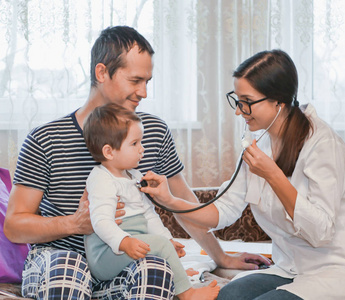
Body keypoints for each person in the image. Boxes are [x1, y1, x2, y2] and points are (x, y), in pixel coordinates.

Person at [4, 25, 265, 300]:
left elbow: (181, 201)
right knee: (68, 269)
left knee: (155, 269)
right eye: (135, 80)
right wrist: (74, 224)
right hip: (59, 258)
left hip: (121, 259)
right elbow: (15, 226)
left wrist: (220, 256)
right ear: (102, 72)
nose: (144, 92)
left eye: (148, 82)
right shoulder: (46, 138)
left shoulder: (151, 131)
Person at [140, 49, 345, 300]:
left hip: (339, 268)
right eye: (237, 100)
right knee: (228, 296)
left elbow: (321, 232)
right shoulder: (258, 144)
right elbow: (220, 212)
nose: (238, 111)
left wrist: (273, 175)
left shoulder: (322, 145)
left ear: (278, 100)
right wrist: (168, 200)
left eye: (246, 101)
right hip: (292, 267)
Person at [83, 102, 219, 299]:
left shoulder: (134, 175)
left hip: (127, 247)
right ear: (109, 152)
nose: (142, 149)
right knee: (160, 246)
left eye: (141, 142)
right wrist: (124, 241)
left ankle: (178, 275)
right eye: (134, 143)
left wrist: (168, 239)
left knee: (163, 244)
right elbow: (101, 221)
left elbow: (149, 214)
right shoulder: (100, 178)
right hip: (105, 255)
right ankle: (187, 294)